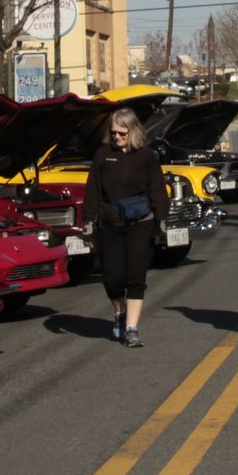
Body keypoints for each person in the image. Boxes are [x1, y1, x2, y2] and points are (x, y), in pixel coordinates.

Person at [82, 107, 168, 348]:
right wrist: (88, 224)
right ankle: (119, 312)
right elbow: (92, 192)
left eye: (122, 133)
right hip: (110, 224)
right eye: (113, 133)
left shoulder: (147, 156)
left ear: (133, 131)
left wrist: (161, 222)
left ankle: (131, 328)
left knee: (136, 278)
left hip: (140, 224)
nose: (117, 137)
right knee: (112, 279)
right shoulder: (102, 155)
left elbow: (158, 191)